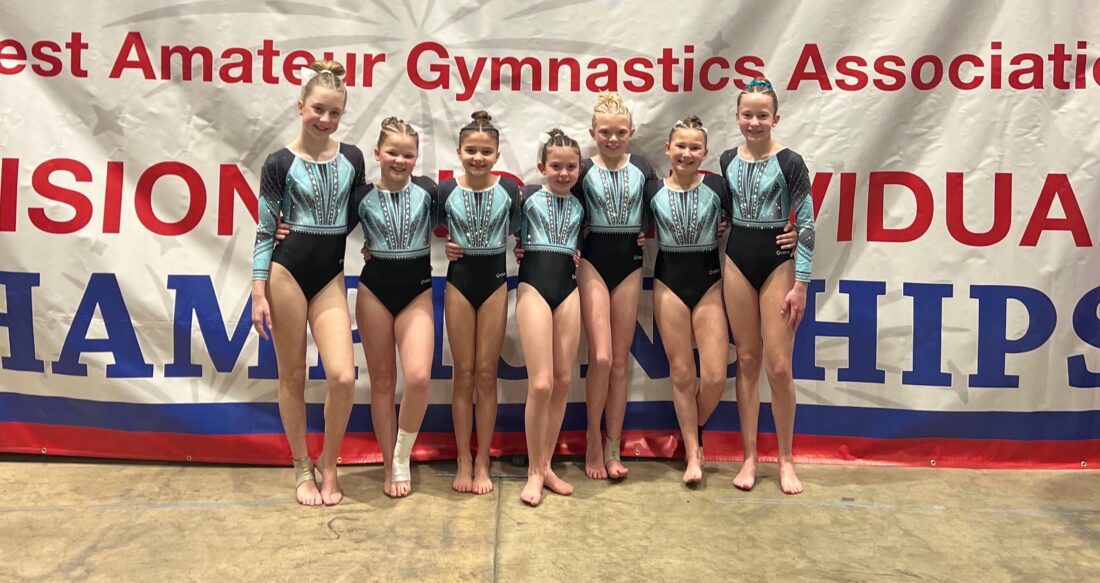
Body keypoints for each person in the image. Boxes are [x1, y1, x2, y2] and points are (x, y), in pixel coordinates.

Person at [251, 60, 362, 506]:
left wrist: (376, 247)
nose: (325, 119)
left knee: (343, 377)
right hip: (286, 274)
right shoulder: (279, 163)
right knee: (293, 375)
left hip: (329, 276)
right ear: (301, 106)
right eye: (318, 109)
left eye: (335, 113)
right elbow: (265, 231)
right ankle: (301, 466)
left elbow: (363, 211)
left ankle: (328, 463)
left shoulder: (352, 158)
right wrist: (258, 291)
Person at [720, 77, 814, 495]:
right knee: (746, 361)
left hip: (777, 265)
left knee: (778, 367)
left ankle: (786, 458)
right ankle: (749, 456)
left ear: (775, 118)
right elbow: (723, 211)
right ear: (737, 117)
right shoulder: (727, 159)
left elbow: (807, 224)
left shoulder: (790, 162)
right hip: (737, 261)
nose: (754, 122)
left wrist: (802, 283)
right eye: (747, 114)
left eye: (762, 115)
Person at [437, 111, 522, 495]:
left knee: (487, 374)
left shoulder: (508, 191)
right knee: (464, 374)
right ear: (458, 151)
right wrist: (371, 248)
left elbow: (523, 232)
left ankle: (483, 459)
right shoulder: (444, 191)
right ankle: (463, 459)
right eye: (471, 150)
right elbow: (421, 228)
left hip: (494, 283)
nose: (478, 157)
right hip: (459, 282)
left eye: (486, 152)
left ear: (497, 155)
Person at [643, 115, 730, 486]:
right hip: (669, 283)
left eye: (695, 147)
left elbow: (753, 215)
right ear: (667, 149)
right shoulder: (652, 189)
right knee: (682, 374)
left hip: (708, 283)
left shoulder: (719, 187)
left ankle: (694, 427)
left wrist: (790, 228)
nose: (687, 153)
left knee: (714, 376)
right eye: (680, 145)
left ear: (705, 153)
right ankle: (693, 452)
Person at [354, 116, 438, 498]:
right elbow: (327, 230)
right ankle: (390, 463)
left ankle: (402, 456)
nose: (400, 161)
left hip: (416, 293)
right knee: (383, 382)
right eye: (392, 153)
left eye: (408, 155)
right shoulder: (361, 196)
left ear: (416, 157)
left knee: (418, 378)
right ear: (377, 153)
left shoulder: (429, 191)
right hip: (374, 292)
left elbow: (460, 221)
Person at [574, 93, 655, 480]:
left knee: (620, 362)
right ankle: (592, 439)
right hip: (593, 262)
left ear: (632, 133)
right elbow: (564, 210)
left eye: (620, 132)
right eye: (605, 132)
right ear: (592, 133)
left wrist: (718, 223)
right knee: (602, 358)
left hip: (630, 265)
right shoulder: (583, 170)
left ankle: (613, 446)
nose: (612, 139)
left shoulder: (642, 167)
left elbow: (662, 204)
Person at [515, 129, 585, 507]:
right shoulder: (525, 199)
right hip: (533, 289)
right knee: (540, 384)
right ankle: (532, 471)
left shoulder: (581, 206)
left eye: (571, 167)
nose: (563, 173)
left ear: (579, 169)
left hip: (568, 290)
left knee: (562, 380)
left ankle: (545, 466)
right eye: (556, 166)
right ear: (542, 167)